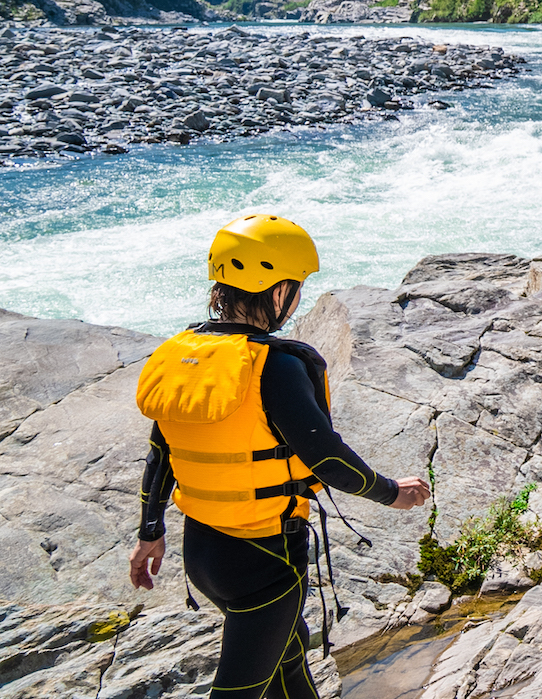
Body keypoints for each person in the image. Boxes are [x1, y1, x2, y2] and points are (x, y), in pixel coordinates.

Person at [129, 214, 430, 699]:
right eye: (296, 287)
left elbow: (159, 453)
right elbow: (325, 458)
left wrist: (150, 532)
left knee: (289, 667)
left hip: (202, 554)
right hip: (264, 567)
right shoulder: (276, 364)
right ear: (277, 292)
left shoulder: (180, 354)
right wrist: (391, 492)